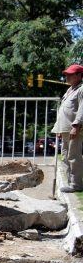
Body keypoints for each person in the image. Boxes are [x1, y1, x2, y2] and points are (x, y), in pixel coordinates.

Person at [52, 63, 83, 192]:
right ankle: (70, 182)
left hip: (74, 128)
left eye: (70, 74)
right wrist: (58, 128)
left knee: (73, 156)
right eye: (66, 74)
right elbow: (63, 110)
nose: (67, 77)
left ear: (79, 75)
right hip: (65, 129)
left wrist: (76, 125)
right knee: (65, 156)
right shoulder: (70, 89)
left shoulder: (81, 89)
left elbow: (82, 109)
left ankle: (76, 184)